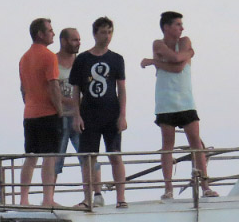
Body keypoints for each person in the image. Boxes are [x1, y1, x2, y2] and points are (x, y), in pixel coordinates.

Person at [141, 11, 217, 199]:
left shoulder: (185, 41)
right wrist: (186, 55)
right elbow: (176, 61)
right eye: (177, 24)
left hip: (186, 100)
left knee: (196, 143)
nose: (181, 28)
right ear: (167, 27)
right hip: (165, 101)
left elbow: (178, 64)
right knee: (168, 145)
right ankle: (168, 188)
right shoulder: (158, 43)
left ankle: (205, 185)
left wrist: (154, 62)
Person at [70, 17, 128, 209]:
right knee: (89, 157)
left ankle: (121, 198)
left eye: (110, 32)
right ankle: (88, 198)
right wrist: (76, 115)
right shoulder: (82, 59)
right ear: (95, 34)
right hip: (89, 114)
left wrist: (122, 115)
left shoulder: (116, 59)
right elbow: (76, 89)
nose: (107, 36)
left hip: (111, 113)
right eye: (103, 32)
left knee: (115, 155)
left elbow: (122, 89)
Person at [19, 17, 64, 207]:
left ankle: (23, 199)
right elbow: (53, 85)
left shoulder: (24, 58)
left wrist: (29, 103)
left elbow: (23, 88)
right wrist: (60, 110)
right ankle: (47, 199)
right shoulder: (49, 56)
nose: (53, 33)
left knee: (30, 157)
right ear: (40, 33)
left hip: (29, 113)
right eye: (50, 30)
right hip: (47, 113)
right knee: (49, 156)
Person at [57, 27, 104, 205]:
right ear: (64, 41)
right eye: (75, 40)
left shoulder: (83, 62)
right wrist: (71, 101)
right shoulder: (53, 62)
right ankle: (49, 198)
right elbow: (51, 90)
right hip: (59, 116)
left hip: (81, 116)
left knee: (89, 156)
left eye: (79, 39)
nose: (79, 43)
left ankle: (97, 194)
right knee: (55, 158)